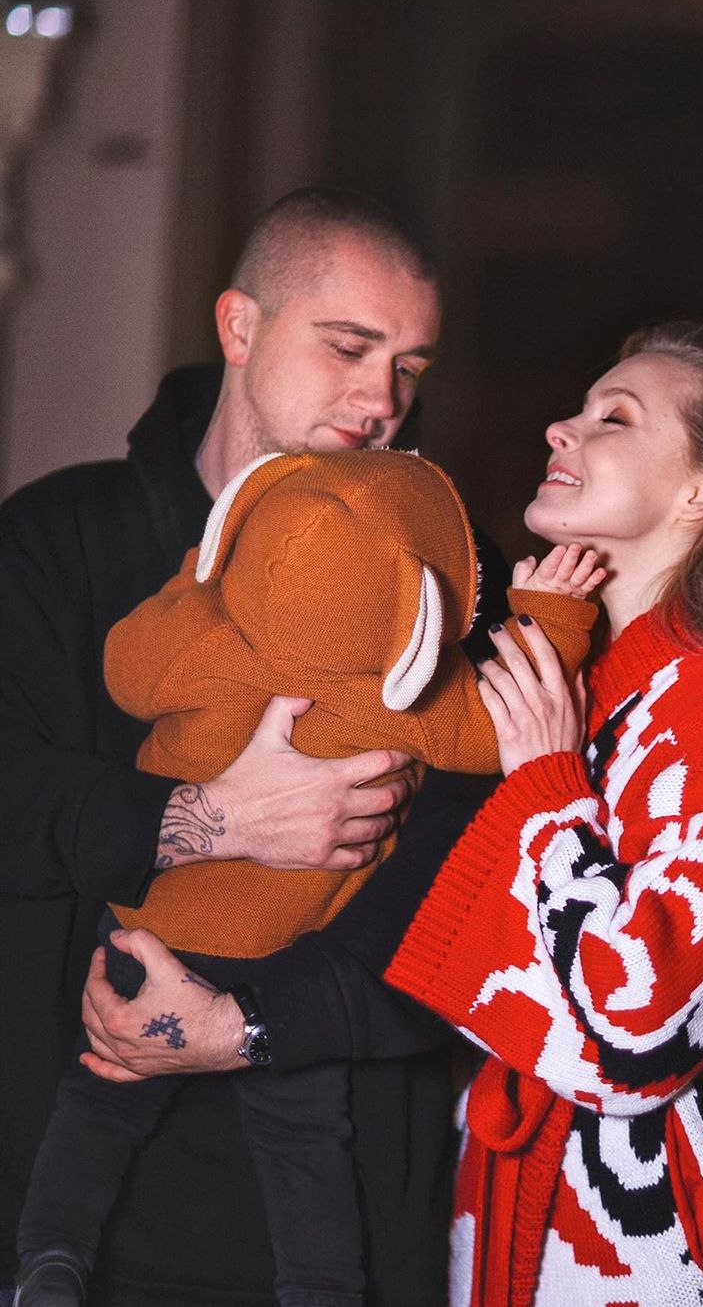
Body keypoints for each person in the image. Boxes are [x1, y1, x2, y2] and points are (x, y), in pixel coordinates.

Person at [81, 321, 703, 1305]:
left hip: (667, 1237)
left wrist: (544, 782)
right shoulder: (573, 675)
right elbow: (416, 907)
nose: (563, 428)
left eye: (615, 418)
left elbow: (641, 1026)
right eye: (578, 409)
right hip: (509, 1199)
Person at [0, 186, 504, 1307]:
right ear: (239, 326)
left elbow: (466, 897)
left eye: (410, 365)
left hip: (339, 1230)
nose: (382, 399)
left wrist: (244, 1029)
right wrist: (211, 819)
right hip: (67, 1222)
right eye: (348, 347)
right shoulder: (58, 538)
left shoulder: (452, 584)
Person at [15, 445, 603, 1307]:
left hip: (151, 928)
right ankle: (321, 1290)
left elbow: (125, 665)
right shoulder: (407, 697)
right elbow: (495, 729)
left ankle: (50, 1256)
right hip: (283, 959)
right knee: (306, 1147)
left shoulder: (206, 642)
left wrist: (200, 578)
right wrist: (551, 615)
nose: (378, 399)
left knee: (98, 1099)